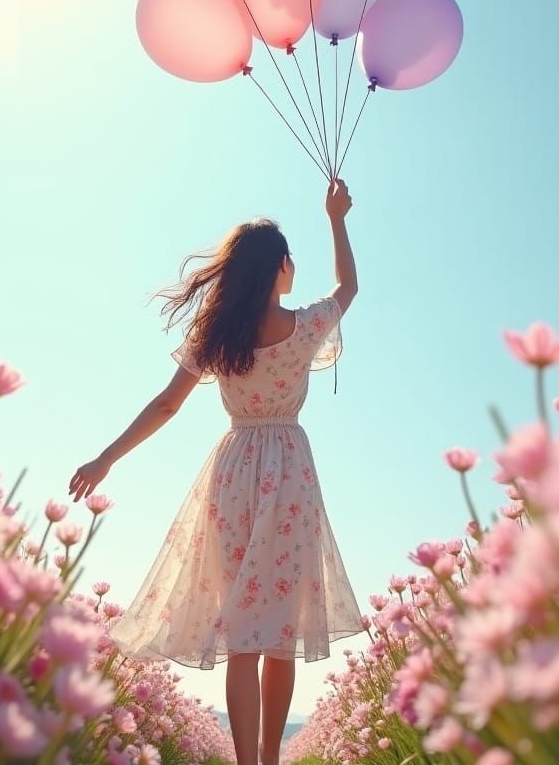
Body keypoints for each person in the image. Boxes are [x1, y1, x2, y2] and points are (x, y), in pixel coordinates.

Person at [69, 178, 364, 765]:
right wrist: (337, 217)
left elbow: (166, 405)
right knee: (278, 630)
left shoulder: (219, 334)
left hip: (232, 475)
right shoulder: (303, 327)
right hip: (290, 476)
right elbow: (349, 286)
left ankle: (248, 763)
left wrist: (107, 456)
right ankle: (271, 762)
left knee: (243, 635)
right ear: (281, 267)